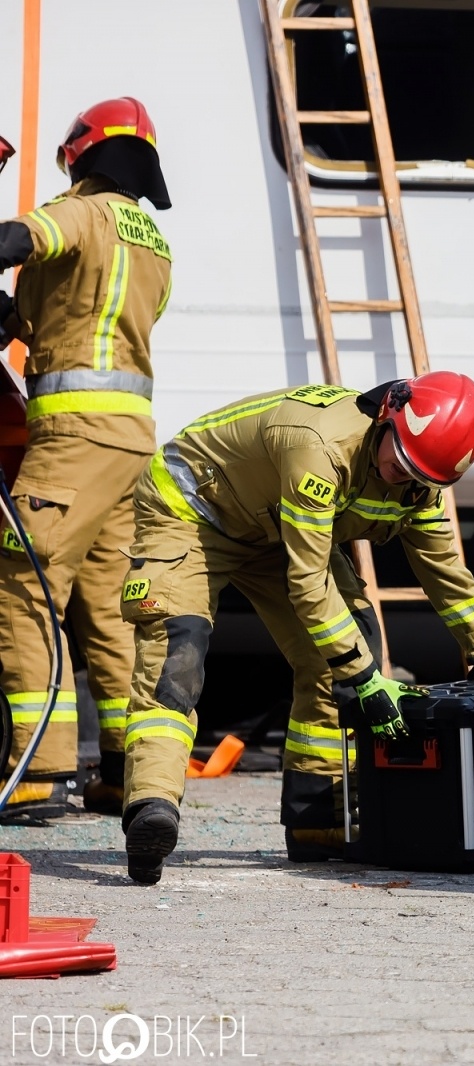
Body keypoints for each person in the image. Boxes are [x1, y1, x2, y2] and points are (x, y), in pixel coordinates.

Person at [117, 372, 474, 884]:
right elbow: (309, 581)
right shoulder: (319, 445)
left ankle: (318, 822)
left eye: (418, 474)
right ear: (389, 414)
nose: (398, 474)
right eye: (397, 458)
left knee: (337, 651)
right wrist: (364, 679)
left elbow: (443, 567)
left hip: (276, 524)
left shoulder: (418, 477)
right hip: (192, 511)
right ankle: (151, 808)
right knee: (175, 656)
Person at [0, 99, 174, 820]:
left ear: (83, 154)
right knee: (107, 607)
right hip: (133, 444)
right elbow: (80, 313)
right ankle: (122, 772)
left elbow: (22, 239)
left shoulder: (84, 211)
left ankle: (39, 772)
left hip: (74, 440)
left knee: (25, 584)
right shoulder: (153, 242)